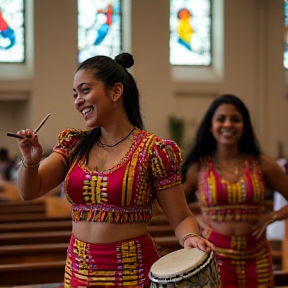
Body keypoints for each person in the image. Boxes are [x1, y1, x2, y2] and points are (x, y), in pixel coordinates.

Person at [15, 52, 214, 287]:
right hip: (79, 274)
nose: (78, 100)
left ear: (116, 92)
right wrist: (30, 161)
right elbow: (29, 191)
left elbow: (181, 217)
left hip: (132, 275)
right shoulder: (74, 145)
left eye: (85, 90)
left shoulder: (153, 151)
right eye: (75, 94)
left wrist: (190, 237)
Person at [181, 94, 288, 288]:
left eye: (236, 119)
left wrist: (271, 217)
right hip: (215, 257)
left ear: (244, 126)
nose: (228, 124)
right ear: (210, 126)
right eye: (221, 118)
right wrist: (197, 219)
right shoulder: (199, 166)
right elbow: (175, 205)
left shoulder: (261, 164)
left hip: (257, 258)